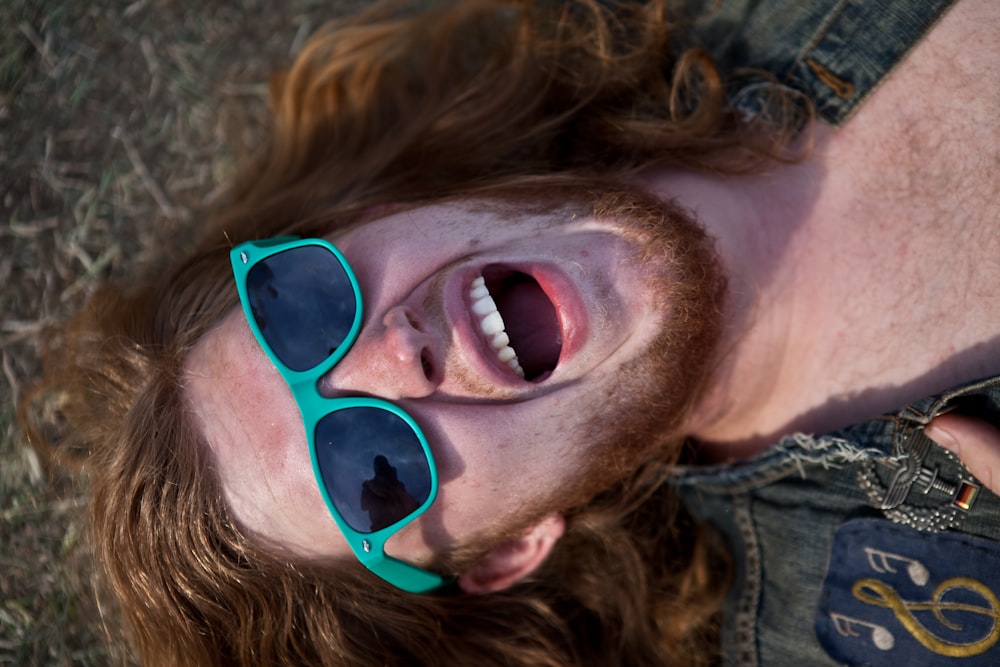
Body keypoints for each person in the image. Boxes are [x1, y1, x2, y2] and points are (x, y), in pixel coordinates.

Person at [18, 0, 1000, 665]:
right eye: (371, 470)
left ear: (374, 208)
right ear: (506, 551)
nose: (392, 353)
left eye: (303, 307)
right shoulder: (886, 621)